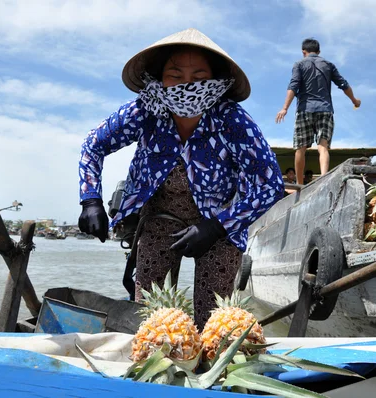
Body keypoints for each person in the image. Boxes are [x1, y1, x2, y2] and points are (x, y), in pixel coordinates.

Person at [77, 28, 284, 329]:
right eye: (175, 75)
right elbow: (93, 145)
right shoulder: (144, 111)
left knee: (214, 322)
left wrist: (216, 226)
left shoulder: (232, 120)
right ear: (160, 78)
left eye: (199, 77)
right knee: (151, 318)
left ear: (215, 81)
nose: (188, 85)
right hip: (160, 219)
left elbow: (270, 184)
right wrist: (90, 199)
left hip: (219, 226)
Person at [275, 38, 361, 184]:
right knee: (323, 146)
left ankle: (299, 184)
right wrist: (354, 100)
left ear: (304, 52)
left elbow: (293, 86)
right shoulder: (328, 65)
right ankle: (323, 180)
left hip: (304, 109)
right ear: (319, 52)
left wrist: (285, 108)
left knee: (300, 148)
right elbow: (343, 84)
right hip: (325, 109)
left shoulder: (299, 64)